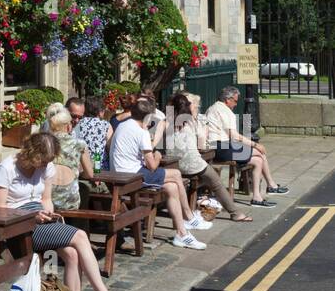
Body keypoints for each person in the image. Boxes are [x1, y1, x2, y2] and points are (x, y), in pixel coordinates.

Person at [0, 132, 135, 291]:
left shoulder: (47, 167)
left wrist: (50, 212)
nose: (45, 166)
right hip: (18, 226)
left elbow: (46, 198)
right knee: (81, 236)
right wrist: (31, 216)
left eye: (48, 161)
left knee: (73, 254)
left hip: (41, 221)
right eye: (42, 161)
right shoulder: (7, 168)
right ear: (31, 155)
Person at [110, 97, 210, 250]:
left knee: (172, 187)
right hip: (132, 176)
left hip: (119, 172)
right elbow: (152, 166)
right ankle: (188, 217)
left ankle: (181, 234)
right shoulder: (141, 131)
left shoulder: (122, 126)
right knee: (176, 174)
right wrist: (156, 154)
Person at [166, 91, 252, 223]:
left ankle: (202, 200)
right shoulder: (190, 122)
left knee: (207, 175)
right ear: (188, 107)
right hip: (190, 164)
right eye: (195, 106)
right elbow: (201, 145)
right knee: (216, 182)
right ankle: (236, 213)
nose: (197, 109)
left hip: (172, 165)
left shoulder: (166, 120)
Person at [206, 86, 288, 206]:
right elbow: (234, 135)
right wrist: (255, 144)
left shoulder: (214, 107)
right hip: (221, 148)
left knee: (258, 161)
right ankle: (271, 186)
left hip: (220, 146)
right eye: (235, 101)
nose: (235, 104)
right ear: (227, 99)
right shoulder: (224, 111)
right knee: (259, 152)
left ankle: (257, 197)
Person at [49, 107, 94, 211]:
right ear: (68, 126)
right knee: (84, 189)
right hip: (70, 202)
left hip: (46, 199)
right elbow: (90, 174)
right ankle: (82, 226)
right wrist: (77, 173)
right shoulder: (79, 144)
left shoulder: (44, 142)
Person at [75, 94, 113, 171]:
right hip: (100, 168)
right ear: (100, 112)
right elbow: (111, 148)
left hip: (81, 167)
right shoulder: (106, 125)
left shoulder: (77, 123)